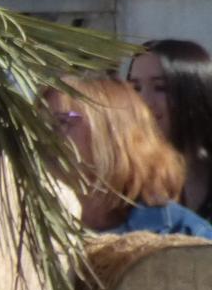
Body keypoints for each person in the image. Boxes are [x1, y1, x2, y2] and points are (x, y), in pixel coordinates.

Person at [45, 74, 212, 238]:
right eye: (39, 124)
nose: (41, 135)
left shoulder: (188, 234)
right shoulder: (30, 230)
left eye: (61, 122)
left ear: (111, 132)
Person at [125, 39, 212, 216]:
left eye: (160, 88)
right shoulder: (120, 181)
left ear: (194, 93)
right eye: (136, 88)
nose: (145, 101)